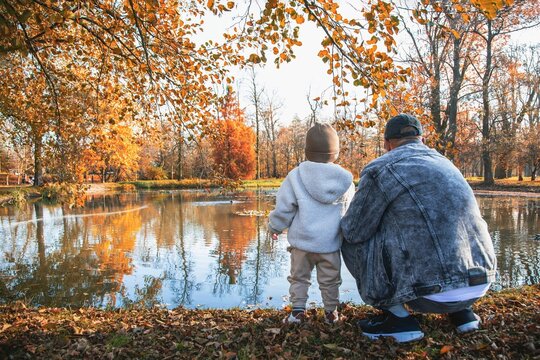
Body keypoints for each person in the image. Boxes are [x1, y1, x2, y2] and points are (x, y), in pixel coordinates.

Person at [341, 114, 497, 343]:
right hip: (480, 282)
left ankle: (398, 318)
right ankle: (462, 314)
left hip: (430, 292)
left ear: (387, 144)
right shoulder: (446, 163)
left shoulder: (380, 168)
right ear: (421, 139)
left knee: (349, 237)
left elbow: (355, 230)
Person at [268, 123, 355, 324]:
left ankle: (297, 312)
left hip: (302, 244)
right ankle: (331, 313)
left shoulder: (295, 176)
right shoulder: (346, 181)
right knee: (330, 280)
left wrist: (275, 227)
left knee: (299, 279)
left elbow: (284, 208)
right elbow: (351, 212)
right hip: (330, 245)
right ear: (336, 152)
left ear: (307, 151)